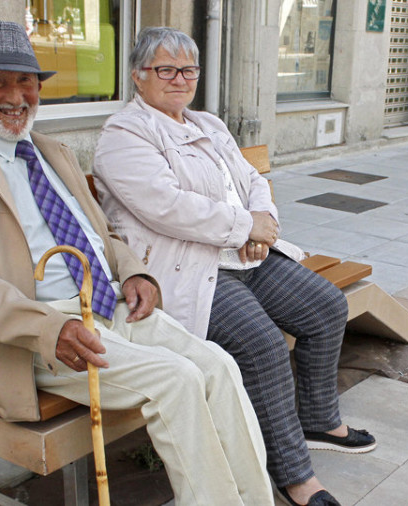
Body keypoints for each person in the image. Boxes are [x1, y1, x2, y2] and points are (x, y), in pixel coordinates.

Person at [0, 21, 273, 506]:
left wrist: (135, 272)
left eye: (25, 81)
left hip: (107, 304)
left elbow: (102, 232)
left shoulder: (52, 152)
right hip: (40, 335)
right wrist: (50, 330)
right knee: (177, 381)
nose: (15, 96)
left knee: (219, 365)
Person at [93, 27, 376, 506]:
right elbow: (166, 206)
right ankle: (294, 475)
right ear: (139, 77)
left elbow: (252, 179)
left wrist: (260, 223)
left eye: (189, 70)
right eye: (166, 69)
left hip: (246, 255)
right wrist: (243, 227)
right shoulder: (123, 137)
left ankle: (319, 419)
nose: (180, 79)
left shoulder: (208, 124)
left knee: (325, 306)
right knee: (261, 344)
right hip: (188, 270)